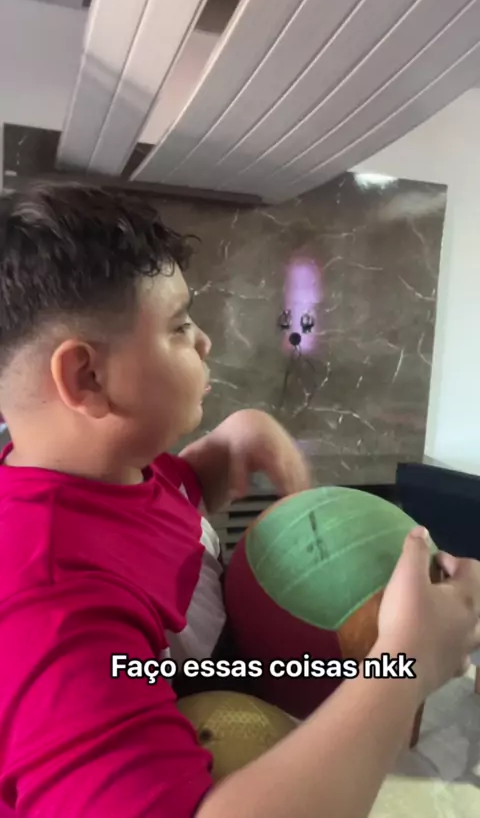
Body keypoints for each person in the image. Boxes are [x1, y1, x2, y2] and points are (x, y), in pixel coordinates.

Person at [0, 184, 478, 818]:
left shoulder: (116, 468)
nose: (204, 343)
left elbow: (147, 518)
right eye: (179, 327)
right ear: (87, 377)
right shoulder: (47, 606)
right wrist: (405, 666)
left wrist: (223, 452)